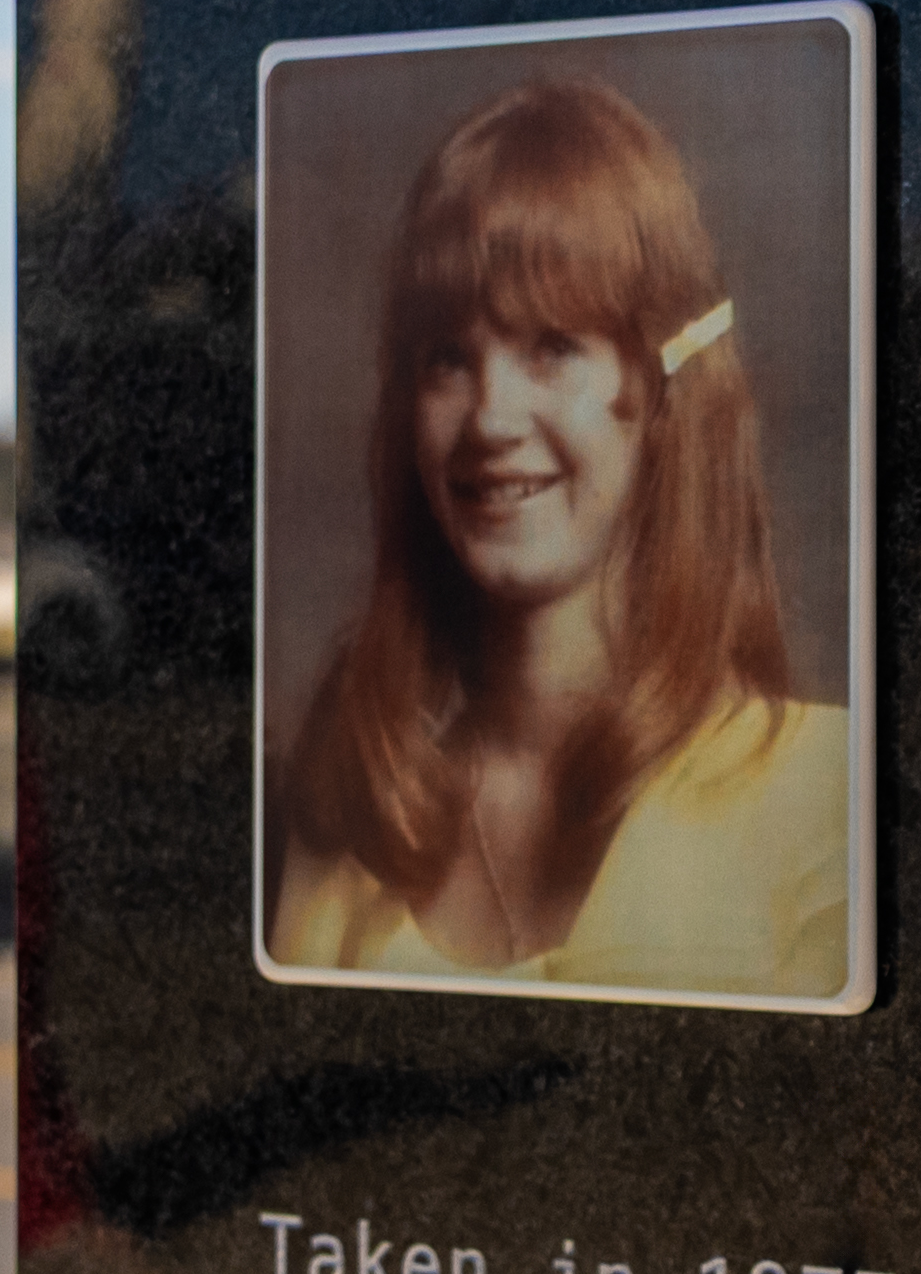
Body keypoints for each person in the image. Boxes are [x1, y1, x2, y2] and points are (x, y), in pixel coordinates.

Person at [267, 74, 854, 1001]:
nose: (492, 417)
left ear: (663, 391)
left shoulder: (823, 790)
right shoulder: (356, 797)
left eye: (552, 347)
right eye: (448, 359)